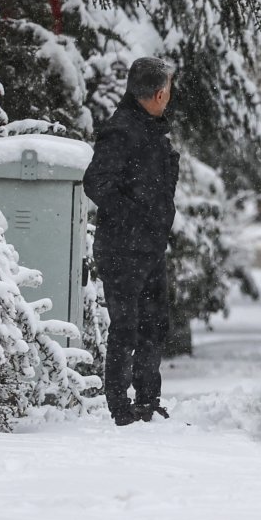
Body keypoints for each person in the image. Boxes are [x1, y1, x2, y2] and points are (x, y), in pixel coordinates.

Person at [83, 57, 180, 426]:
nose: (168, 99)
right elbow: (97, 183)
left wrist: (156, 222)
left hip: (151, 247)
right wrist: (136, 218)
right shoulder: (121, 131)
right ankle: (119, 406)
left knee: (154, 324)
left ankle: (147, 399)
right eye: (167, 92)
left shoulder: (153, 131)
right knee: (126, 327)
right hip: (123, 249)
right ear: (157, 94)